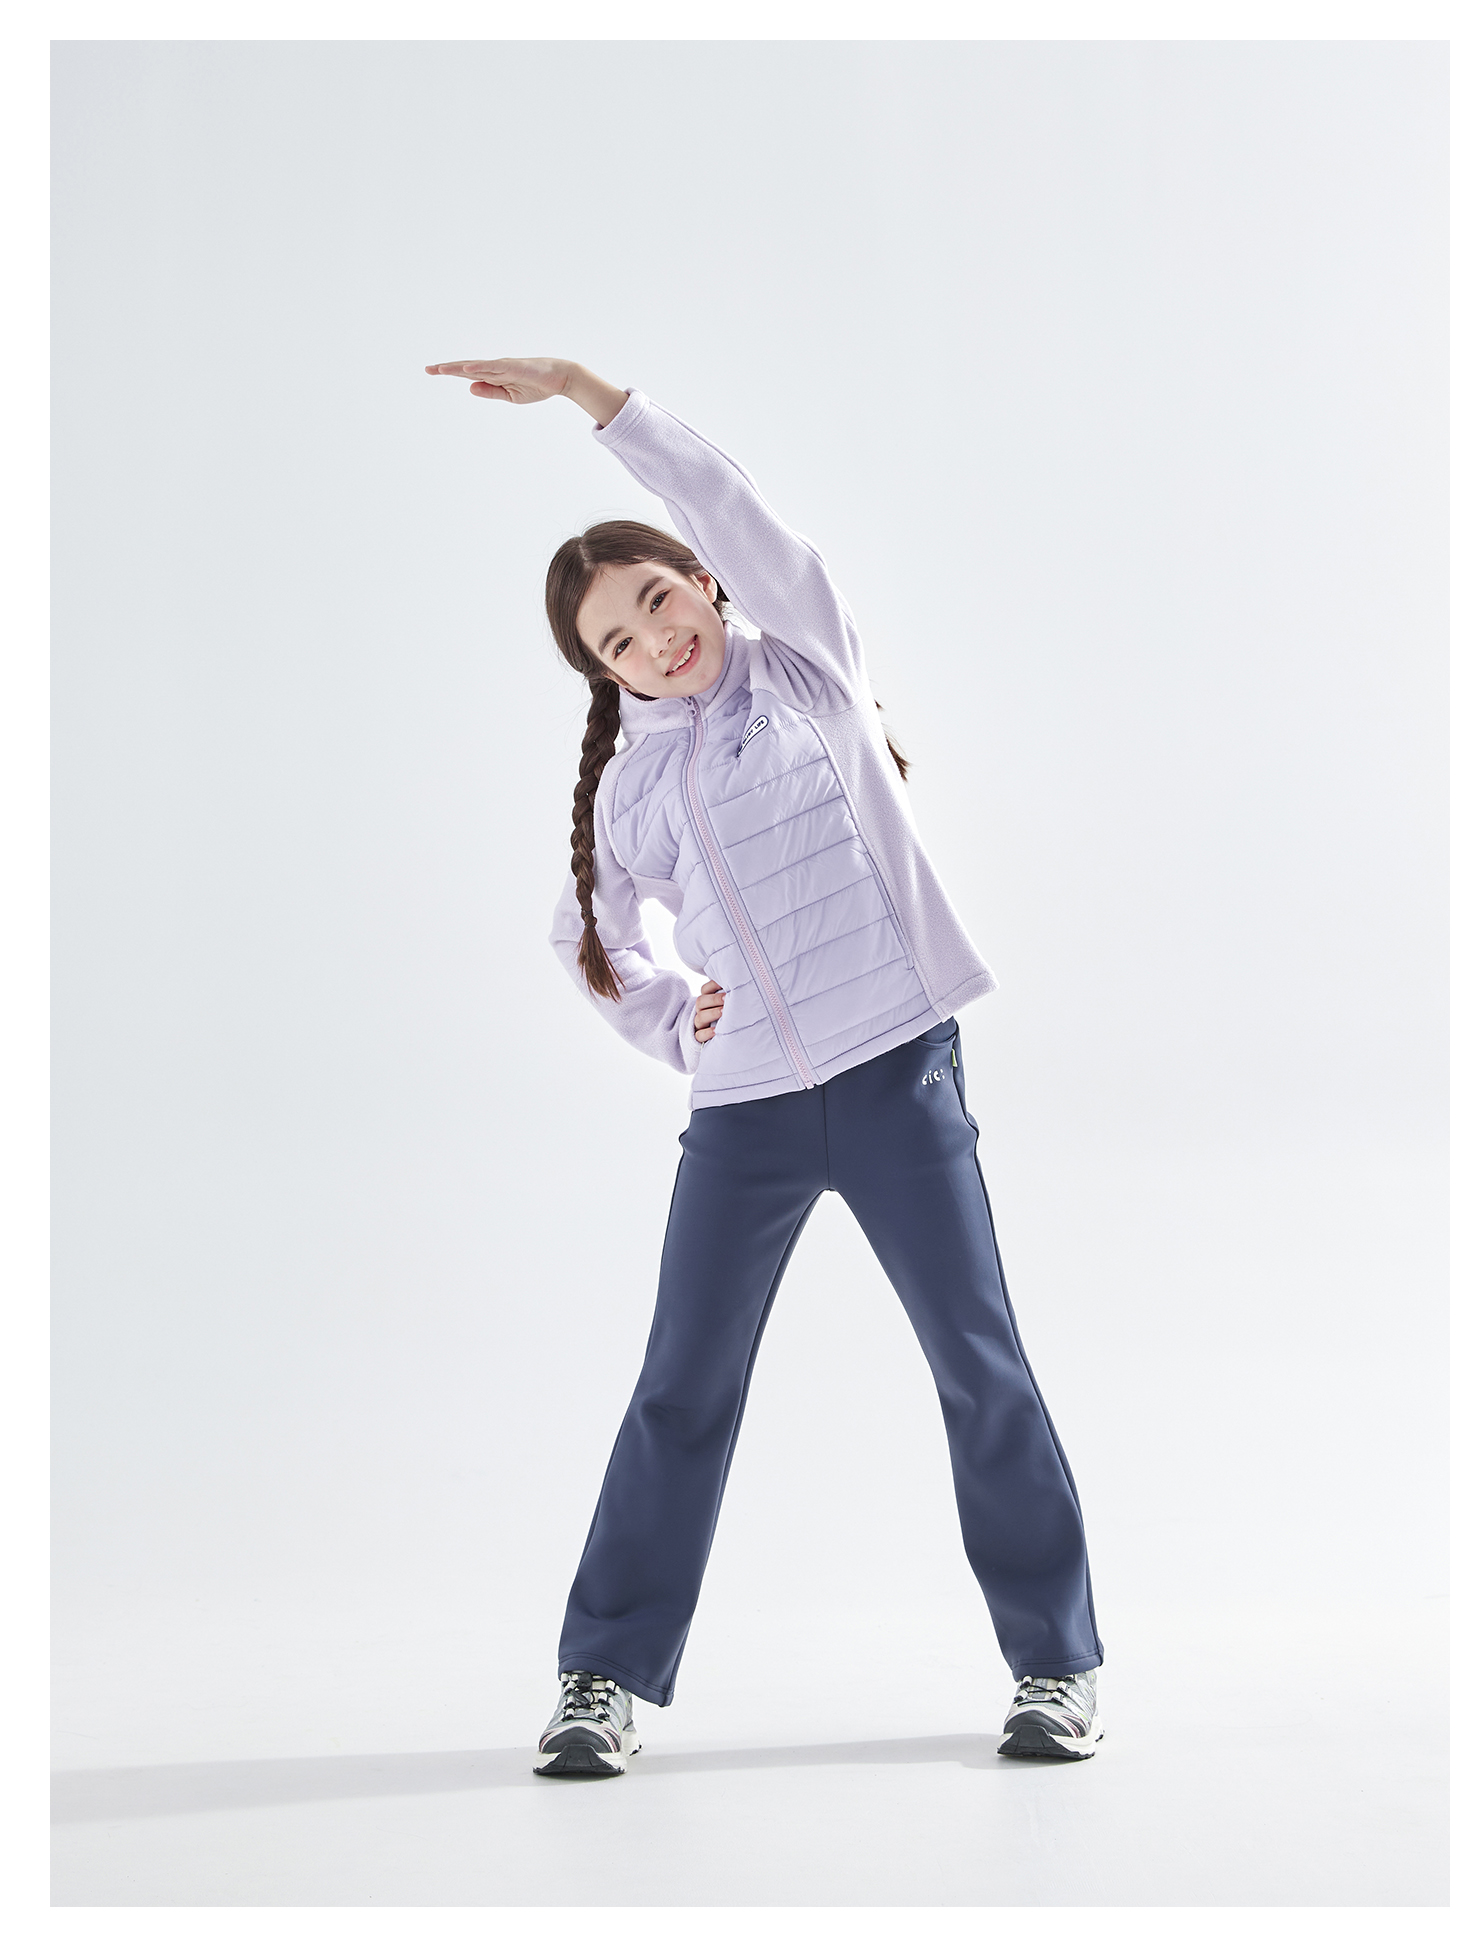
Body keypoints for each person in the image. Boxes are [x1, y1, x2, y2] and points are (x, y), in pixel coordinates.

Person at [425, 356, 1106, 1775]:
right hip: (744, 1119)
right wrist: (680, 1023)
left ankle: (1055, 1665)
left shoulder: (807, 666)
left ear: (705, 581)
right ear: (607, 676)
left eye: (658, 599)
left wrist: (594, 398)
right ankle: (601, 1679)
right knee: (682, 1387)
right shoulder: (634, 787)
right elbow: (587, 937)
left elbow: (734, 508)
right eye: (618, 641)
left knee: (978, 1364)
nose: (654, 639)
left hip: (898, 1076)